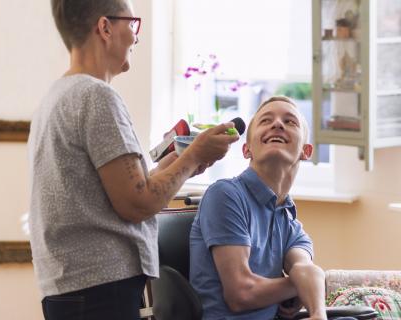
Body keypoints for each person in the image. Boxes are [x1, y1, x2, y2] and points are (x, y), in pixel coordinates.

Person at [28, 0, 239, 319]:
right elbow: (137, 203)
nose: (136, 37)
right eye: (133, 24)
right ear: (105, 27)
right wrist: (194, 154)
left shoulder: (57, 96)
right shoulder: (96, 97)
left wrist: (186, 163)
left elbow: (121, 191)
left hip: (72, 288)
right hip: (99, 290)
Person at [190, 96, 329, 320]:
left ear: (306, 151)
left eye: (290, 122)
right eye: (266, 120)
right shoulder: (225, 195)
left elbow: (307, 269)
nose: (277, 124)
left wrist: (318, 313)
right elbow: (241, 294)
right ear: (247, 150)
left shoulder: (289, 221)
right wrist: (301, 285)